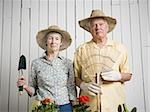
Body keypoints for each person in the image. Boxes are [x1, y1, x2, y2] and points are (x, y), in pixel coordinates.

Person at [74, 9, 132, 112]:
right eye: (94, 25)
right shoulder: (81, 50)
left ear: (107, 27)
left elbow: (128, 75)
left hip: (114, 104)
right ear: (89, 29)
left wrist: (118, 76)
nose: (97, 27)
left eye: (101, 24)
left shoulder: (120, 48)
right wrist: (83, 85)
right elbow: (75, 77)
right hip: (88, 105)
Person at [17, 25, 76, 112]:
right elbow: (33, 91)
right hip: (43, 106)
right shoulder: (36, 63)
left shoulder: (67, 63)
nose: (53, 42)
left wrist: (75, 106)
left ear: (61, 43)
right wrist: (25, 86)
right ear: (46, 42)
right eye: (50, 38)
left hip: (64, 106)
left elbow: (71, 87)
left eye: (57, 39)